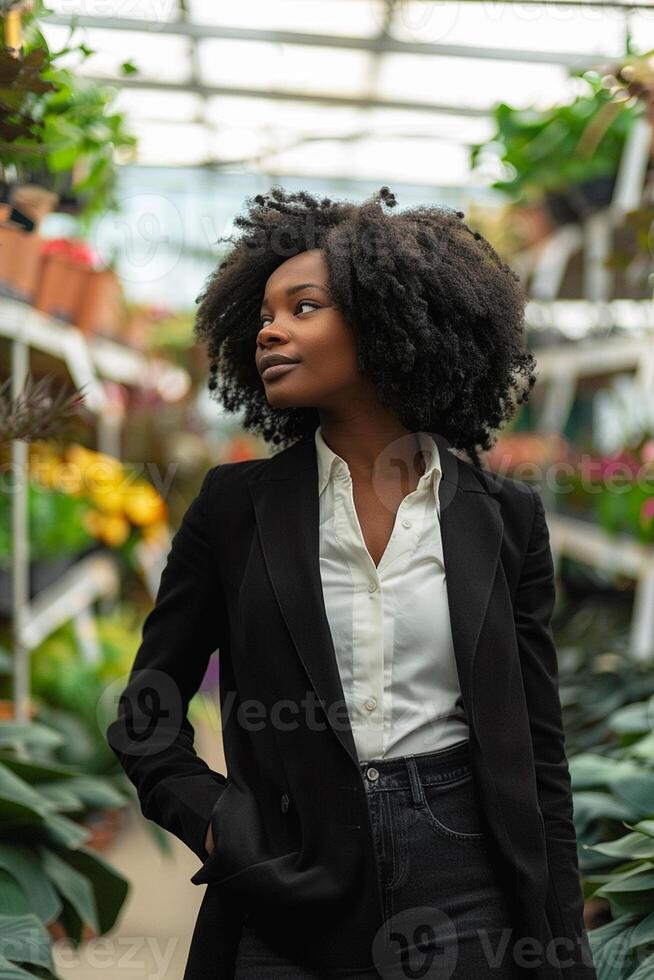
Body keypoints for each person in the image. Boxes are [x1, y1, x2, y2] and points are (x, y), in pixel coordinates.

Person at [106, 186, 597, 980]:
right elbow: (145, 717)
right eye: (264, 313)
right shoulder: (236, 511)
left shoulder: (503, 520)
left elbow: (539, 752)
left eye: (304, 307)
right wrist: (221, 825)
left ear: (388, 322)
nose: (270, 329)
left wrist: (565, 949)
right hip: (288, 878)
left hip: (468, 879)